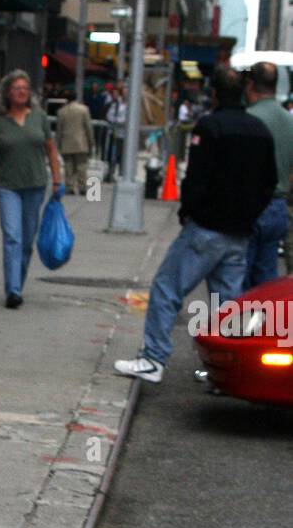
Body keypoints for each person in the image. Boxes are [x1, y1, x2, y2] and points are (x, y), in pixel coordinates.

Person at [114, 66, 276, 383]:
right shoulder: (259, 130)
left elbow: (197, 179)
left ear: (213, 94)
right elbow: (269, 183)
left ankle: (153, 358)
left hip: (207, 228)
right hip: (240, 231)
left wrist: (189, 211)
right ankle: (226, 373)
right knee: (226, 305)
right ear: (244, 92)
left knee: (166, 288)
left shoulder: (210, 127)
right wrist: (250, 215)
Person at [0, 69, 62, 308]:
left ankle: (18, 282)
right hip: (7, 187)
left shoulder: (40, 118)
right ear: (7, 93)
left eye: (25, 88)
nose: (22, 92)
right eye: (17, 88)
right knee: (13, 237)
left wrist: (57, 180)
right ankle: (13, 290)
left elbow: (51, 150)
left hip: (35, 185)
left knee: (26, 241)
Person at [242, 61, 293, 289]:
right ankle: (265, 323)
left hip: (250, 205)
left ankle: (236, 324)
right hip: (278, 206)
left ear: (250, 84)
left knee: (238, 277)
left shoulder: (247, 119)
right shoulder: (289, 122)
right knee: (266, 282)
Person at [56, 93, 94, 194]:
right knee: (81, 166)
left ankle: (69, 187)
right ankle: (82, 187)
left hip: (66, 142)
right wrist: (91, 142)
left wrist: (58, 144)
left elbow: (59, 130)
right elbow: (88, 128)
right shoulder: (84, 109)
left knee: (68, 166)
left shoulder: (61, 112)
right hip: (81, 142)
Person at [105, 84, 127, 178]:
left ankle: (122, 173)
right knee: (112, 154)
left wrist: (118, 121)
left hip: (124, 135)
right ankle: (111, 173)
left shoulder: (128, 105)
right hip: (114, 133)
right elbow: (109, 115)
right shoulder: (115, 104)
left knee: (123, 155)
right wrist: (116, 121)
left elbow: (127, 119)